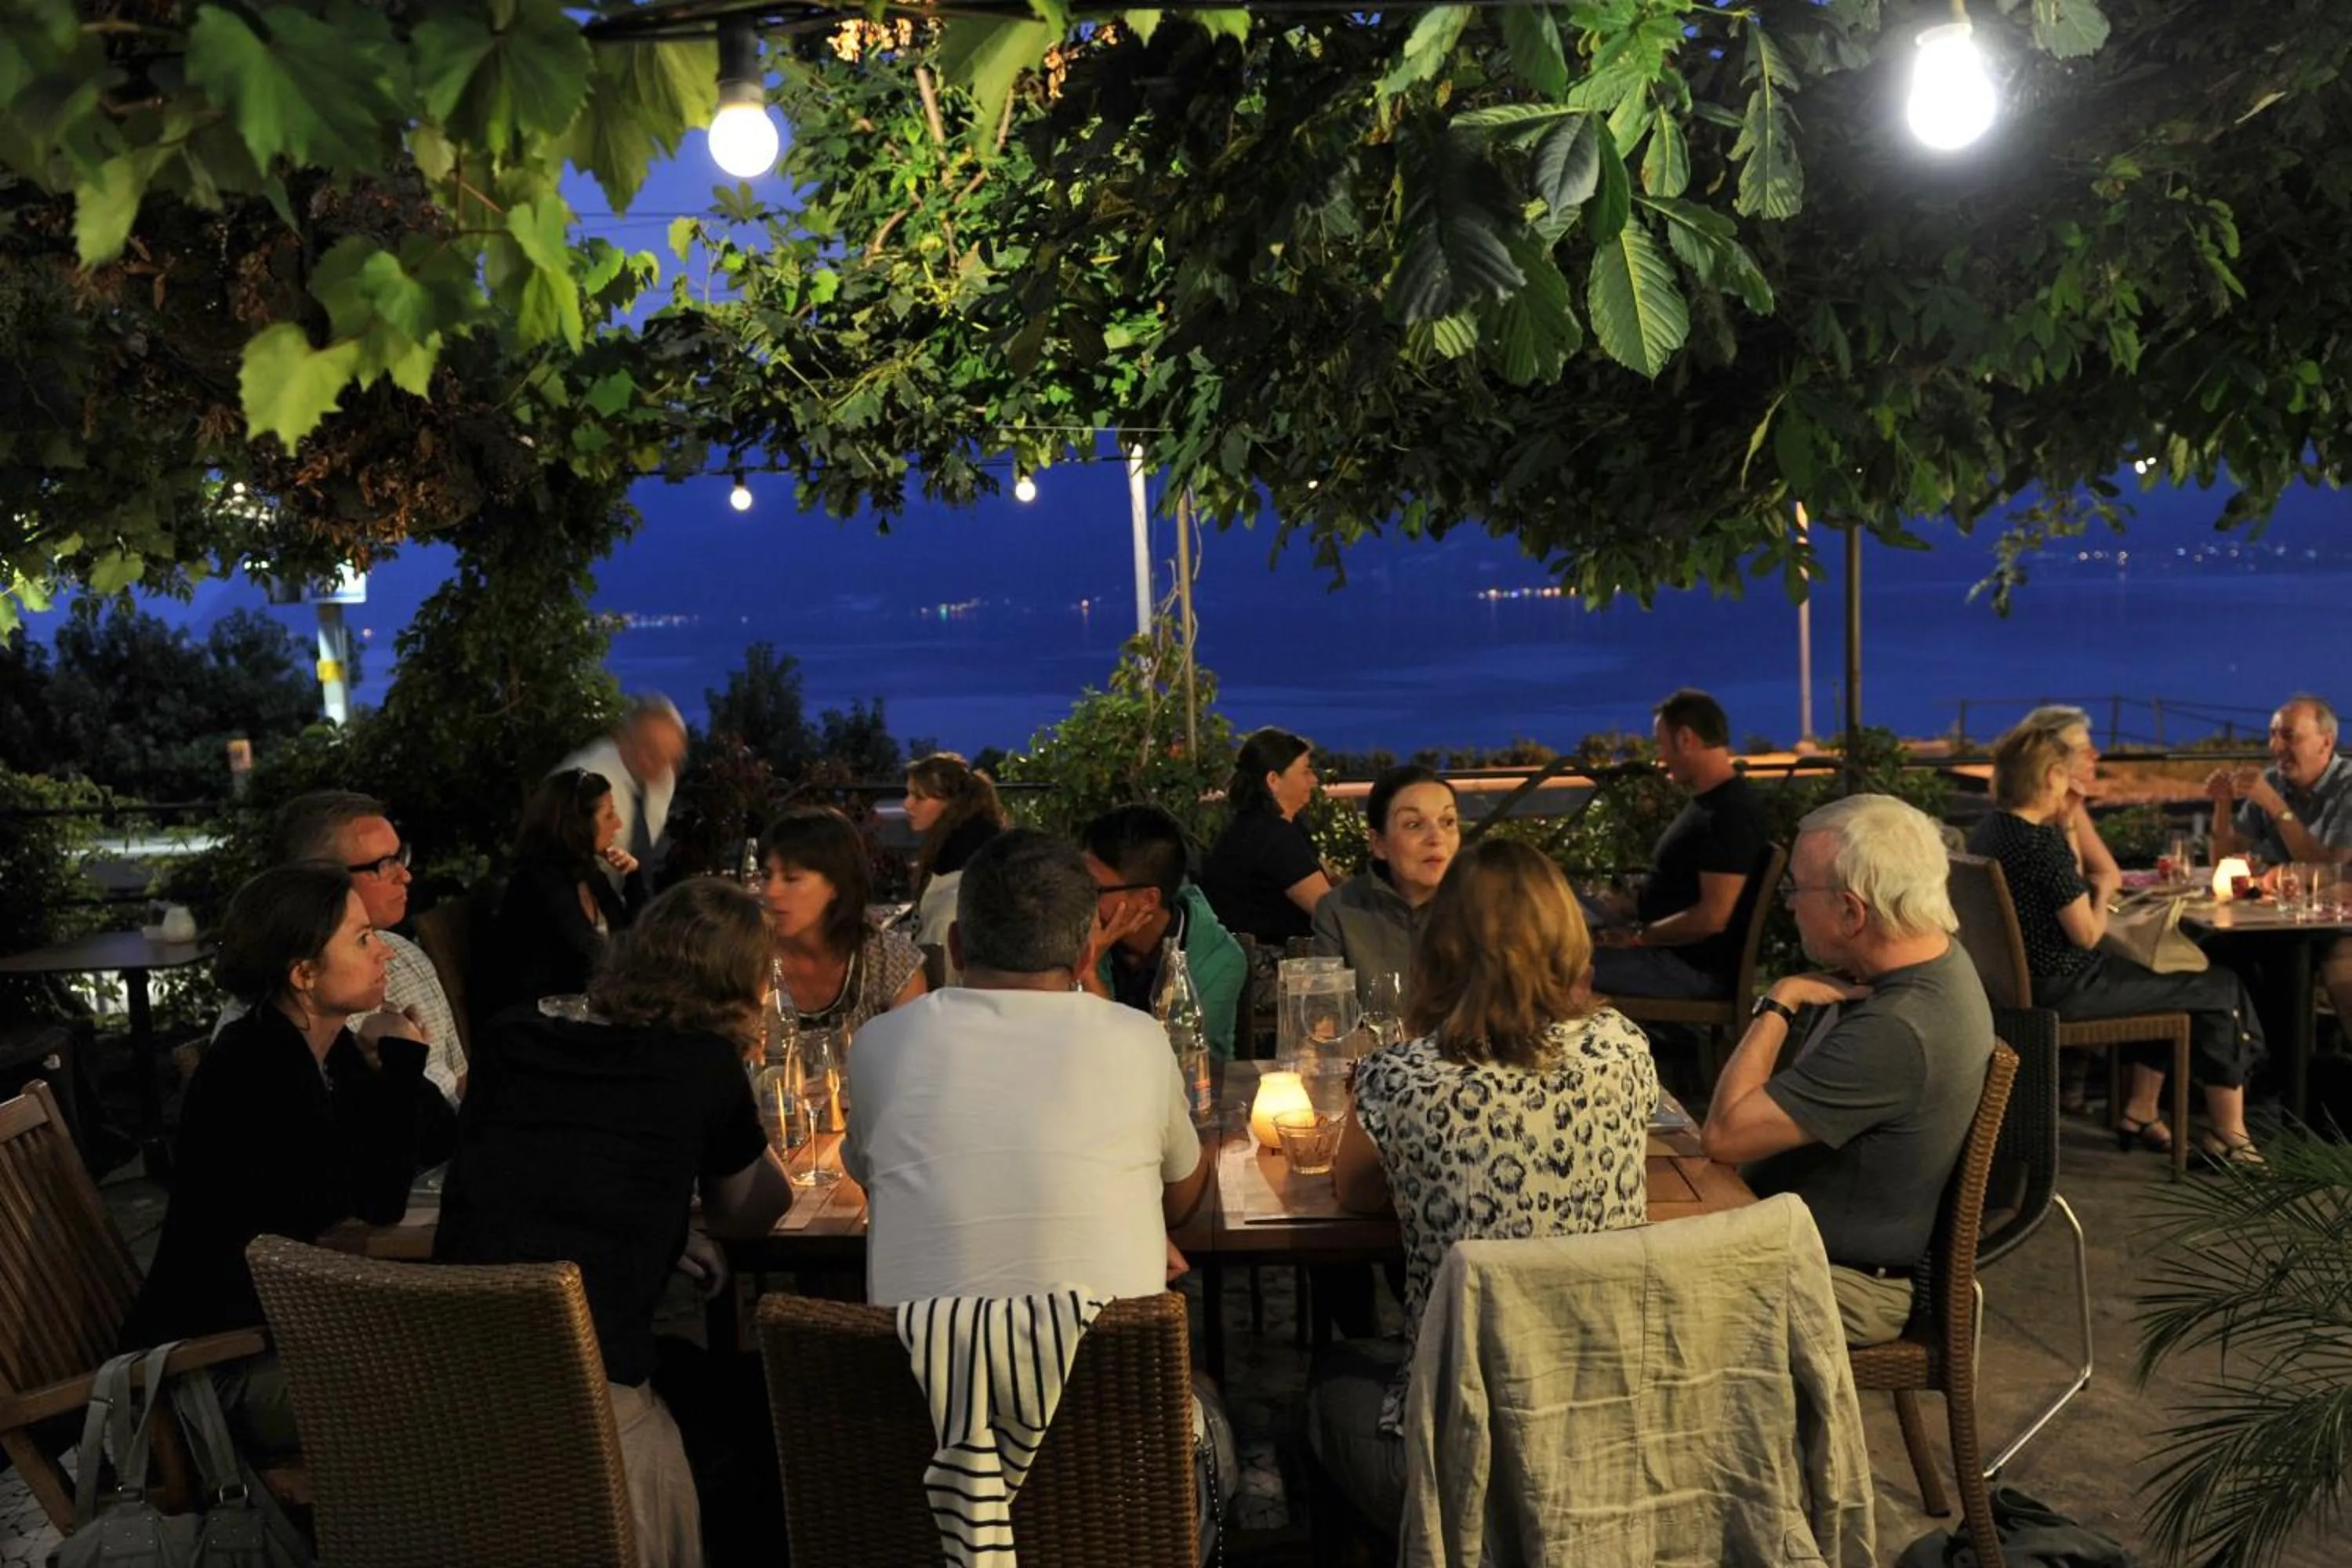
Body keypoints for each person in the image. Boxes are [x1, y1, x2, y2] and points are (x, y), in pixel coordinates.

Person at [844, 829, 1226, 1556]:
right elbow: (1182, 1201)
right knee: (1215, 1418)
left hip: (919, 1459)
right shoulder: (1138, 1041)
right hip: (1120, 1472)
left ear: (954, 945)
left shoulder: (881, 1046)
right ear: (1088, 953)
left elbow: (869, 1178)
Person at [437, 879, 795, 1568]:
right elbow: (752, 1209)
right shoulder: (699, 1067)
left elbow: (542, 1176)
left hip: (460, 1365)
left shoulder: (512, 1039)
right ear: (744, 987)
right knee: (752, 1415)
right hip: (589, 1392)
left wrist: (664, 1228)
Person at [1308, 837, 1657, 1529]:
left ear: (1440, 948)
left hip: (1462, 1445)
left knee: (1322, 1384)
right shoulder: (1623, 1046)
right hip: (1605, 1415)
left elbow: (1352, 1194)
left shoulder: (1402, 1078)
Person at [122, 864, 434, 1458]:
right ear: (304, 973)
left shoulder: (321, 1046)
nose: (383, 956)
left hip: (278, 1338)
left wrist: (395, 1065)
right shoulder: (257, 1069)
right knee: (457, 1393)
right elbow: (382, 1198)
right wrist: (399, 1063)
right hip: (211, 1373)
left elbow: (434, 1141)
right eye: (362, 939)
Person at [1701, 794, 1995, 1347]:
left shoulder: (1898, 1028)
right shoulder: (1934, 965)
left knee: (1610, 1300)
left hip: (1837, 1284)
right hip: (1802, 1253)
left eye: (1796, 890)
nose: (1788, 905)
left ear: (1851, 911)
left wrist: (1780, 1002)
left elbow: (1725, 1135)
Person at [1970, 724, 2266, 1166]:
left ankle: (2143, 1111)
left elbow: (2058, 888)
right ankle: (2230, 1137)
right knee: (2218, 987)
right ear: (2052, 775)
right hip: (2065, 988)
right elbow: (2086, 933)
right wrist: (2105, 887)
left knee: (2166, 980)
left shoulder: (1993, 831)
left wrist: (2069, 824)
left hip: (2017, 985)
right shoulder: (2039, 844)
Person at [215, 790, 466, 1110]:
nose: (405, 875)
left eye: (400, 857)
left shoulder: (401, 955)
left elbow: (456, 1087)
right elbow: (382, 1153)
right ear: (316, 881)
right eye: (384, 864)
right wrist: (401, 1061)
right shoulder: (276, 1039)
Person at [1588, 688, 1771, 1000]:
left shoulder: (1729, 812)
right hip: (1668, 955)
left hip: (1688, 970)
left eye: (1661, 743)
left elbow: (1713, 916)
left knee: (1546, 967)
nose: (1660, 757)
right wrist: (1629, 908)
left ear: (1685, 739)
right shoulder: (1711, 805)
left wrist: (1637, 937)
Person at [2205, 695, 2352, 1029]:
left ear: (2326, 742)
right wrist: (2223, 805)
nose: (2275, 746)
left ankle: (2290, 1067)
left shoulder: (2348, 787)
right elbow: (2226, 866)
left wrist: (2275, 806)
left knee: (2313, 959)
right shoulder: (2274, 781)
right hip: (2282, 921)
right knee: (2218, 952)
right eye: (2273, 735)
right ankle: (2257, 1063)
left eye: (2289, 736)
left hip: (2337, 923)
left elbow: (2333, 868)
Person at [1076, 803, 1247, 1057]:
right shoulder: (1076, 932)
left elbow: (1167, 1061)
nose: (1079, 897)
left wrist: (1087, 971)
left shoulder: (1219, 960)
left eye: (1094, 889)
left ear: (1148, 900)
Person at [757, 807, 924, 1047]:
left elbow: (912, 1063)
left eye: (792, 878)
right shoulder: (747, 958)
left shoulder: (888, 962)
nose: (771, 892)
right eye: (766, 876)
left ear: (836, 884)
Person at [489, 767, 646, 1014]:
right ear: (578, 824)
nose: (618, 824)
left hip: (580, 1012)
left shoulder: (587, 873)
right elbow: (589, 956)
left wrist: (633, 877)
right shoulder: (540, 879)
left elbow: (632, 937)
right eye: (609, 816)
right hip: (538, 1024)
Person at [1310, 766, 1461, 1008]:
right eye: (1413, 824)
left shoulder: (1484, 904)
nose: (1436, 837)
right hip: (1373, 1047)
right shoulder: (1341, 909)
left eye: (1448, 821)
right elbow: (1326, 1017)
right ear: (1378, 843)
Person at [1200, 726, 1334, 946]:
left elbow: (1327, 877)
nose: (1314, 781)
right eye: (1305, 772)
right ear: (1273, 780)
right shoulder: (1271, 836)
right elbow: (1330, 911)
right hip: (1271, 965)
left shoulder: (1279, 824)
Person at [561, 692, 690, 889]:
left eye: (670, 758)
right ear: (622, 738)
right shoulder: (584, 782)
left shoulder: (663, 776)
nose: (659, 765)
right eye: (650, 749)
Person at [901, 752, 1009, 985]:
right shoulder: (955, 845)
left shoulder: (959, 863)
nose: (906, 804)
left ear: (951, 803)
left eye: (918, 797)